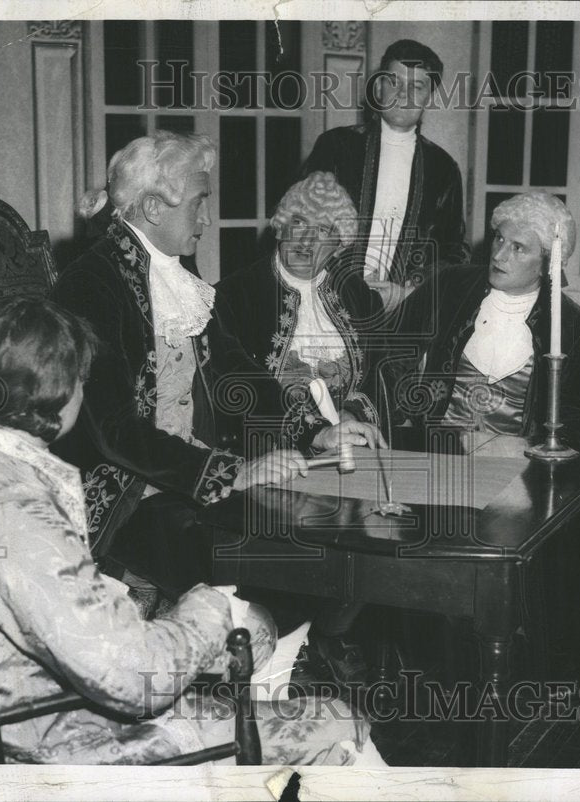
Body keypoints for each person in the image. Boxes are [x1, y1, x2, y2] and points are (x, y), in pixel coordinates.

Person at [0, 298, 384, 765]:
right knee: (340, 721)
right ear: (58, 397)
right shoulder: (16, 511)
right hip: (59, 746)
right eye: (81, 381)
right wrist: (213, 611)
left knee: (249, 652)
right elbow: (128, 675)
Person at [50, 132, 381, 601]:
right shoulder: (91, 284)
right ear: (153, 209)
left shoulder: (176, 273)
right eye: (199, 203)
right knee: (280, 559)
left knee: (319, 531)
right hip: (123, 495)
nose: (207, 219)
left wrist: (313, 431)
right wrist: (228, 474)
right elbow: (114, 430)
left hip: (187, 479)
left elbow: (235, 372)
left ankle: (282, 661)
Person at [393, 190, 580, 447]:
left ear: (547, 263)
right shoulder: (450, 286)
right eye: (499, 239)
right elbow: (391, 355)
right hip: (437, 454)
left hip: (518, 470)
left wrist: (540, 446)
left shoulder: (573, 326)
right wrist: (397, 420)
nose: (498, 255)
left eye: (518, 248)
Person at [300, 38, 470, 314]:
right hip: (325, 303)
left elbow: (453, 251)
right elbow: (300, 222)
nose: (404, 94)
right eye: (395, 82)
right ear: (378, 87)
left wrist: (409, 291)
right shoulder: (337, 146)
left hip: (400, 311)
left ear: (431, 96)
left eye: (418, 86)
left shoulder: (443, 168)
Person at [214, 171, 386, 438]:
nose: (306, 240)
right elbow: (237, 389)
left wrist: (352, 413)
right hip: (269, 449)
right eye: (299, 223)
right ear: (281, 227)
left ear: (339, 246)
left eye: (322, 231)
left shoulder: (358, 295)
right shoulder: (233, 296)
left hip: (350, 440)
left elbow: (382, 370)